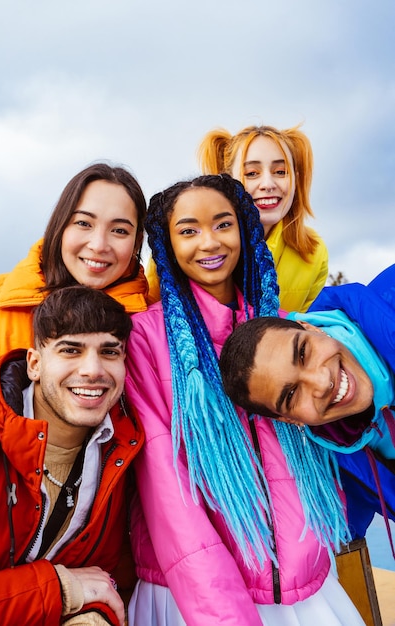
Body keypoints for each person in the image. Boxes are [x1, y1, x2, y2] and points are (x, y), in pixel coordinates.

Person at [124, 173, 364, 625]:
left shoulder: (284, 327)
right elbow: (168, 491)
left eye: (223, 224)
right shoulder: (147, 340)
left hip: (306, 593)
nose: (209, 243)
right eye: (188, 231)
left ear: (245, 230)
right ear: (167, 246)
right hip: (195, 599)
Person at [0, 285, 144, 625]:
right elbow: (76, 584)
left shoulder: (120, 451)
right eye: (71, 350)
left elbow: (105, 582)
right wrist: (60, 588)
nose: (93, 370)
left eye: (110, 352)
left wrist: (91, 615)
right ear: (35, 364)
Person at [219, 264, 395, 540]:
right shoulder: (340, 458)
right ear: (287, 419)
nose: (322, 382)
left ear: (310, 326)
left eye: (303, 352)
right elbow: (343, 529)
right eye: (291, 395)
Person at [0, 162, 150, 370]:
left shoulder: (154, 326)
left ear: (137, 242)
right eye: (84, 223)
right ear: (60, 226)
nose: (98, 245)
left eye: (119, 230)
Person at [196, 124, 329, 312]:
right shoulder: (188, 241)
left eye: (281, 172)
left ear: (296, 179)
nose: (268, 184)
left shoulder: (314, 251)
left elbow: (307, 325)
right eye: (251, 174)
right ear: (226, 181)